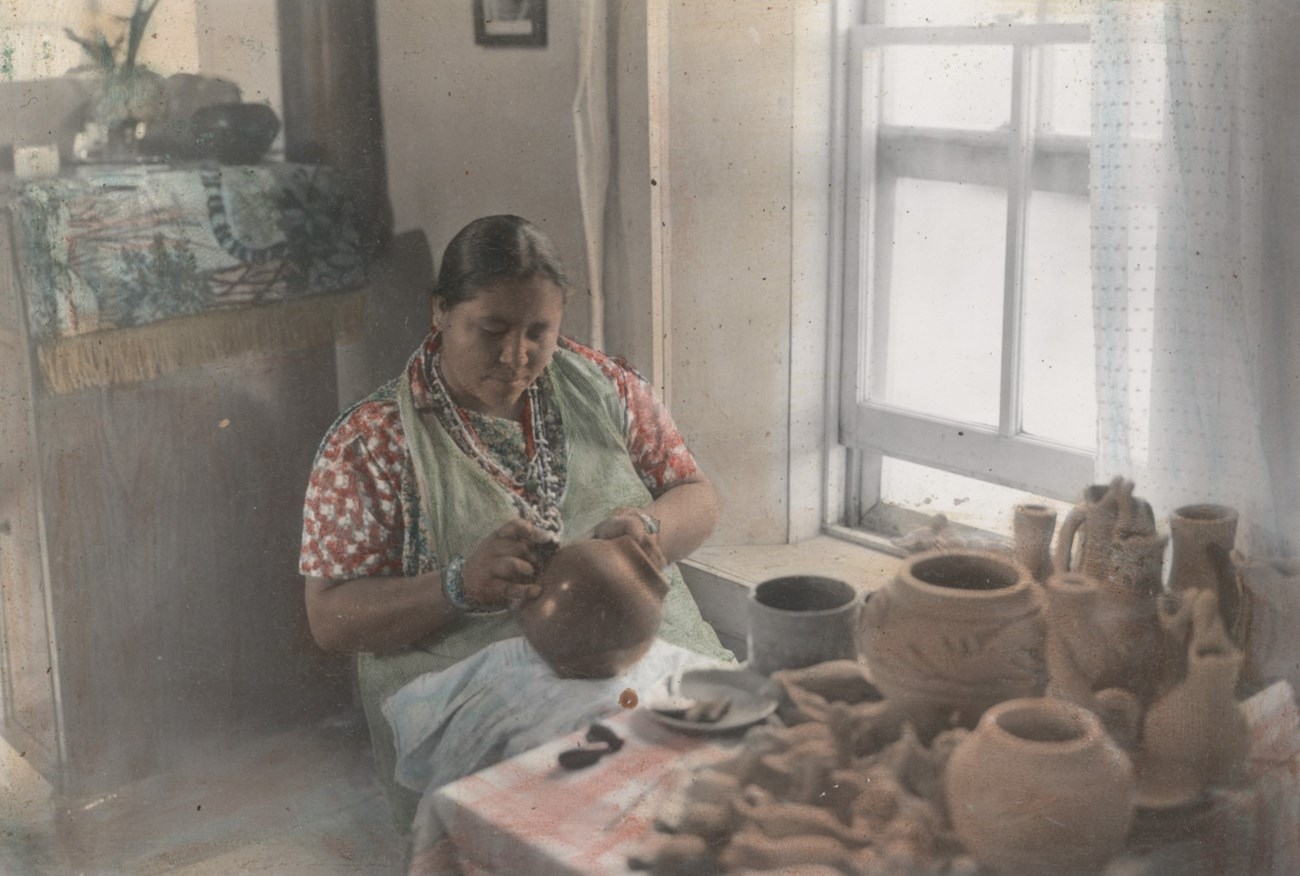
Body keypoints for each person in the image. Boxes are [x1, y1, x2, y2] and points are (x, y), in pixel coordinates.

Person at [298, 214, 732, 826]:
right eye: (491, 329)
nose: (515, 356)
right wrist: (457, 585)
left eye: (539, 331)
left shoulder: (606, 386)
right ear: (441, 312)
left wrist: (645, 529)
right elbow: (328, 618)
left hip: (636, 648)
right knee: (594, 798)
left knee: (737, 757)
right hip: (467, 678)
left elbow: (695, 493)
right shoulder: (369, 442)